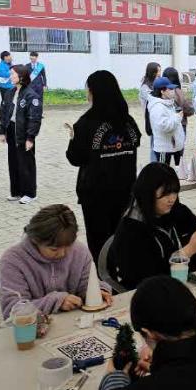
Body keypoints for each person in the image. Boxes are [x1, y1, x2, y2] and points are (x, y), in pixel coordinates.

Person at [107, 163, 196, 290]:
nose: (172, 199)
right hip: (148, 293)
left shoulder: (180, 212)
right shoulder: (130, 229)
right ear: (148, 193)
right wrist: (187, 251)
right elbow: (145, 280)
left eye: (175, 192)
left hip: (185, 285)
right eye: (166, 194)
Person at [66, 70, 141, 259]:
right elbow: (136, 143)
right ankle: (120, 271)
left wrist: (73, 138)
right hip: (125, 190)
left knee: (99, 244)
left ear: (94, 92)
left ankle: (105, 275)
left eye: (88, 89)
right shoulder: (128, 121)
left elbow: (75, 158)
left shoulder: (86, 123)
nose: (87, 93)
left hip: (96, 195)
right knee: (121, 239)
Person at [0, 204, 113, 318]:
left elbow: (86, 284)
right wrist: (55, 302)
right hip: (32, 327)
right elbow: (12, 309)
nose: (62, 253)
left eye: (68, 246)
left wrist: (96, 292)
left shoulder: (79, 251)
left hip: (75, 321)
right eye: (54, 249)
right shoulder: (13, 260)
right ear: (35, 240)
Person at [0, 64, 42, 204]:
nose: (10, 76)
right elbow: (3, 112)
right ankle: (16, 192)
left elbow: (34, 118)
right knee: (13, 162)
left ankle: (30, 193)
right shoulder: (10, 92)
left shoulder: (31, 95)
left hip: (24, 132)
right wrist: (2, 131)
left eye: (13, 74)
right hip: (12, 131)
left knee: (26, 163)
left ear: (21, 76)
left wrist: (30, 138)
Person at [146, 77, 185, 165]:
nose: (173, 91)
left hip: (171, 145)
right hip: (163, 148)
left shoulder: (168, 102)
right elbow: (164, 126)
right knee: (163, 171)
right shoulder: (157, 107)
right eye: (170, 89)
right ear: (162, 91)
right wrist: (177, 117)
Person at [161, 67, 193, 168]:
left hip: (166, 123)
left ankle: (166, 170)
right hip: (180, 123)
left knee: (166, 149)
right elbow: (187, 108)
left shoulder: (161, 91)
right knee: (178, 149)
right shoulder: (177, 91)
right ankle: (178, 170)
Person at [138, 62, 161, 162]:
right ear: (153, 72)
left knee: (159, 143)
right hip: (151, 118)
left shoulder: (155, 83)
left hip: (158, 116)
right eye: (158, 71)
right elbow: (153, 99)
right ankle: (153, 165)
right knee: (154, 144)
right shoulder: (145, 87)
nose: (160, 73)